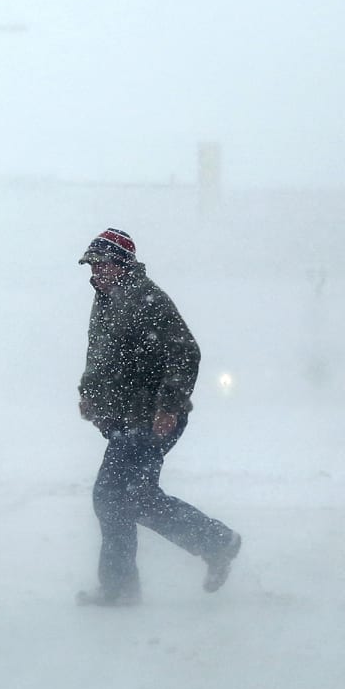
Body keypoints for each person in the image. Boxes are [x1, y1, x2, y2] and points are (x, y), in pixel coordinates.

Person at [75, 228, 242, 606]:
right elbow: (99, 355)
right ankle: (215, 543)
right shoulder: (106, 299)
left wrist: (168, 405)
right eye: (91, 265)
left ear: (122, 265)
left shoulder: (147, 299)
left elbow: (186, 353)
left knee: (113, 496)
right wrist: (89, 394)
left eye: (101, 265)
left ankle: (123, 586)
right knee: (132, 497)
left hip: (151, 417)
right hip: (125, 417)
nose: (95, 272)